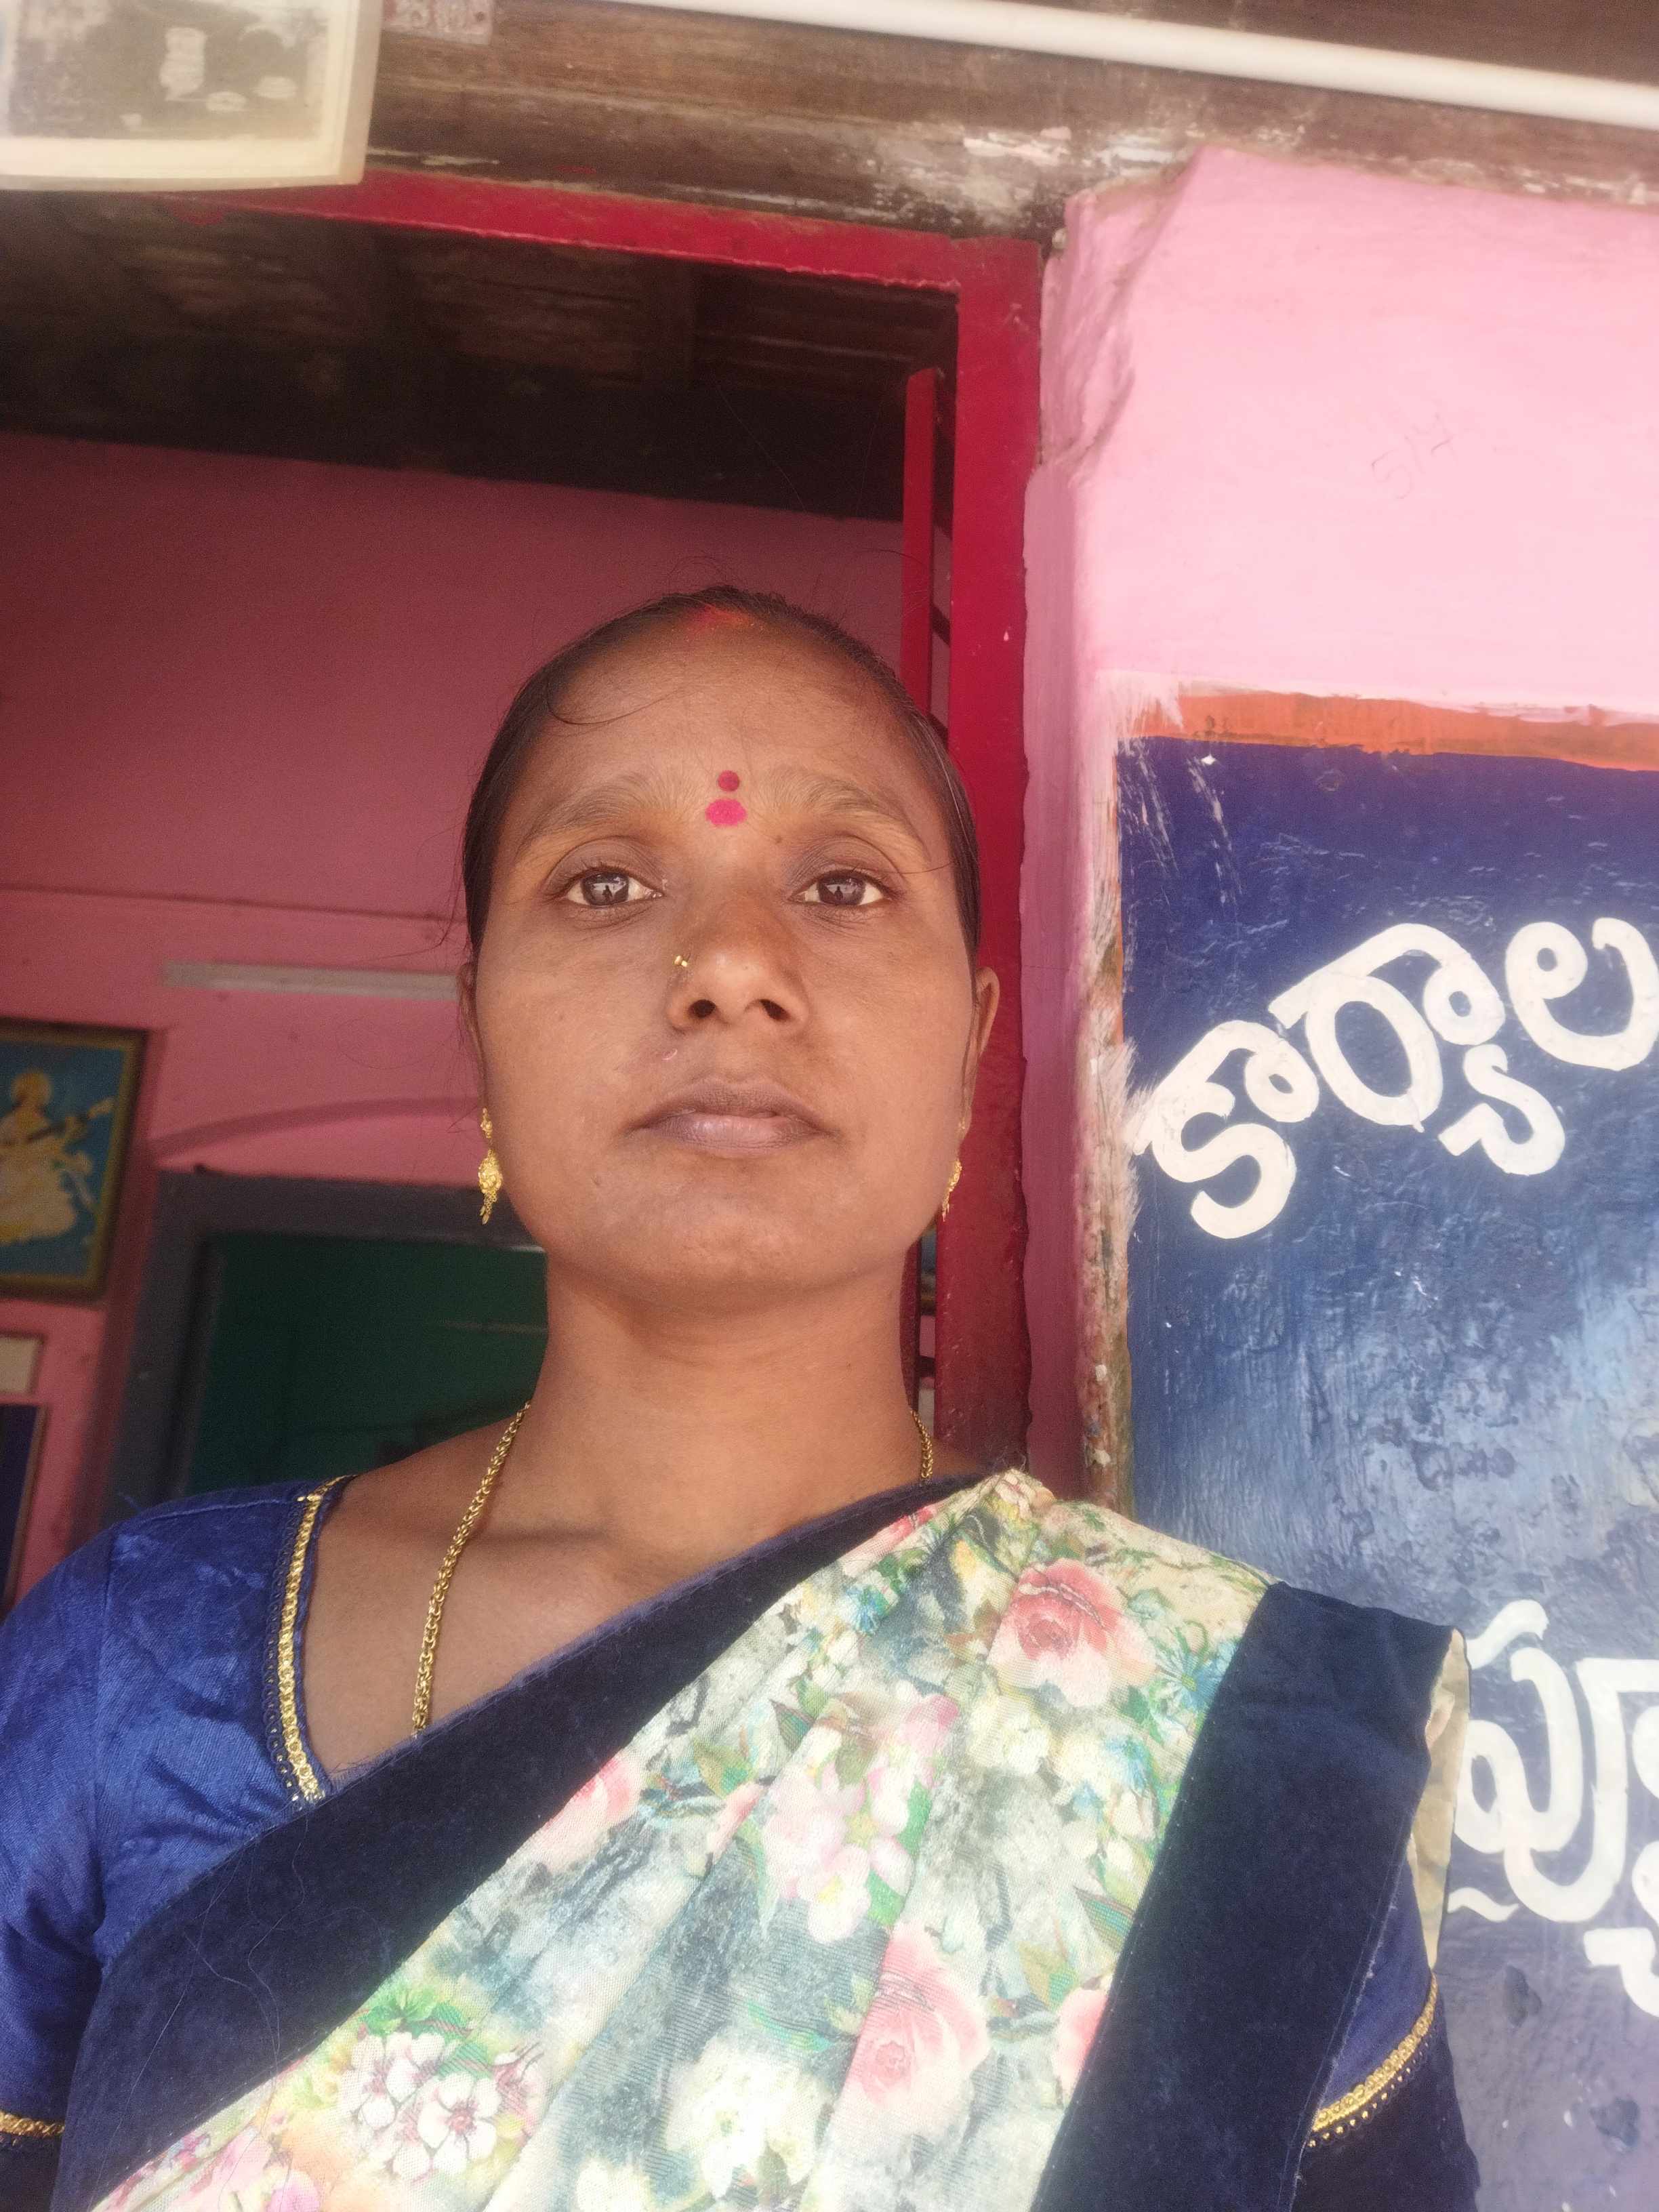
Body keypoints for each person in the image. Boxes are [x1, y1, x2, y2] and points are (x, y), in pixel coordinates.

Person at [0, 589, 1478, 2211]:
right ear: (478, 1031)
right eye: (605, 883)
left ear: (972, 1051)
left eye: (844, 885)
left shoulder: (1240, 1744)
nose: (729, 968)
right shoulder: (133, 1666)